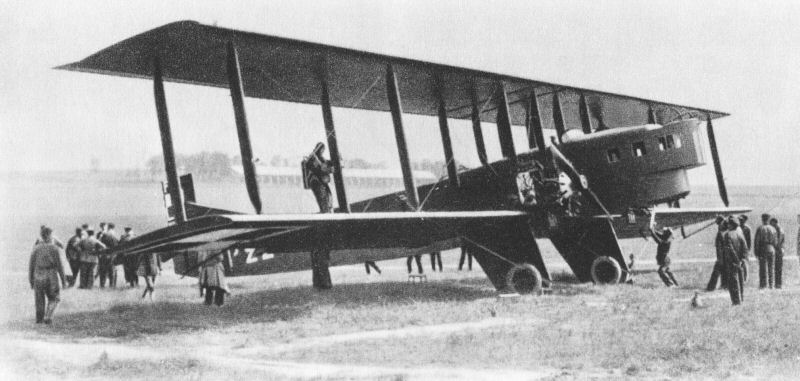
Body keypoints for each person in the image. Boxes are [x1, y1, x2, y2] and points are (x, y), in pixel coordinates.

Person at [305, 142, 335, 290]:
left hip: (318, 183)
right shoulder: (314, 164)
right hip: (318, 185)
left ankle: (321, 284)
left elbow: (324, 167)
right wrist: (330, 167)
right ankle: (324, 284)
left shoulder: (316, 161)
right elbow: (323, 169)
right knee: (325, 204)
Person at [29, 227, 67, 324]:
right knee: (55, 297)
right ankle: (48, 316)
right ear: (49, 235)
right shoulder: (54, 248)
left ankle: (39, 319)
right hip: (51, 275)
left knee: (39, 299)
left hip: (37, 275)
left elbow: (31, 266)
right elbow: (60, 266)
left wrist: (31, 280)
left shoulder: (35, 248)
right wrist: (63, 281)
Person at [721, 217, 747, 305]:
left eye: (728, 224)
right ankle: (741, 298)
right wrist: (742, 259)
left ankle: (736, 301)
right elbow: (745, 247)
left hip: (732, 262)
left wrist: (736, 260)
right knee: (740, 280)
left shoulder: (727, 235)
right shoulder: (740, 234)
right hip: (740, 261)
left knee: (733, 282)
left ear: (731, 225)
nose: (727, 225)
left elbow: (730, 249)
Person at [754, 213, 778, 289]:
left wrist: (756, 251)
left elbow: (757, 241)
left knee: (763, 268)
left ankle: (763, 285)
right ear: (768, 219)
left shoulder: (760, 228)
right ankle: (771, 285)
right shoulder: (773, 228)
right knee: (771, 267)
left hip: (763, 248)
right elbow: (776, 242)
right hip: (771, 248)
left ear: (762, 219)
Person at [706, 217, 728, 291]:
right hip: (725, 255)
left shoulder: (721, 233)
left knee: (716, 272)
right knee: (724, 270)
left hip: (721, 255)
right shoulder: (725, 231)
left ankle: (711, 287)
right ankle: (724, 285)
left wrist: (719, 258)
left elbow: (719, 247)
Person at [98, 223, 120, 288]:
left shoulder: (103, 236)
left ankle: (102, 285)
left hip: (104, 255)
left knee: (103, 271)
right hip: (113, 255)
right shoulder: (115, 236)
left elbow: (98, 244)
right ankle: (112, 285)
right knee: (112, 271)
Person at [770, 218, 785, 289]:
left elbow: (778, 242)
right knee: (778, 268)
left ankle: (778, 284)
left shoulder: (778, 230)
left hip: (778, 251)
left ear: (774, 223)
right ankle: (778, 284)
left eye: (771, 223)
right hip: (780, 250)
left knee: (778, 268)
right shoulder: (779, 229)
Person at [738, 215, 751, 282]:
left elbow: (749, 240)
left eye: (742, 220)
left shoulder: (747, 229)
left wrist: (748, 250)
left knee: (745, 264)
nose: (741, 221)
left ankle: (745, 279)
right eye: (740, 220)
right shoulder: (737, 228)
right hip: (738, 248)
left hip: (744, 248)